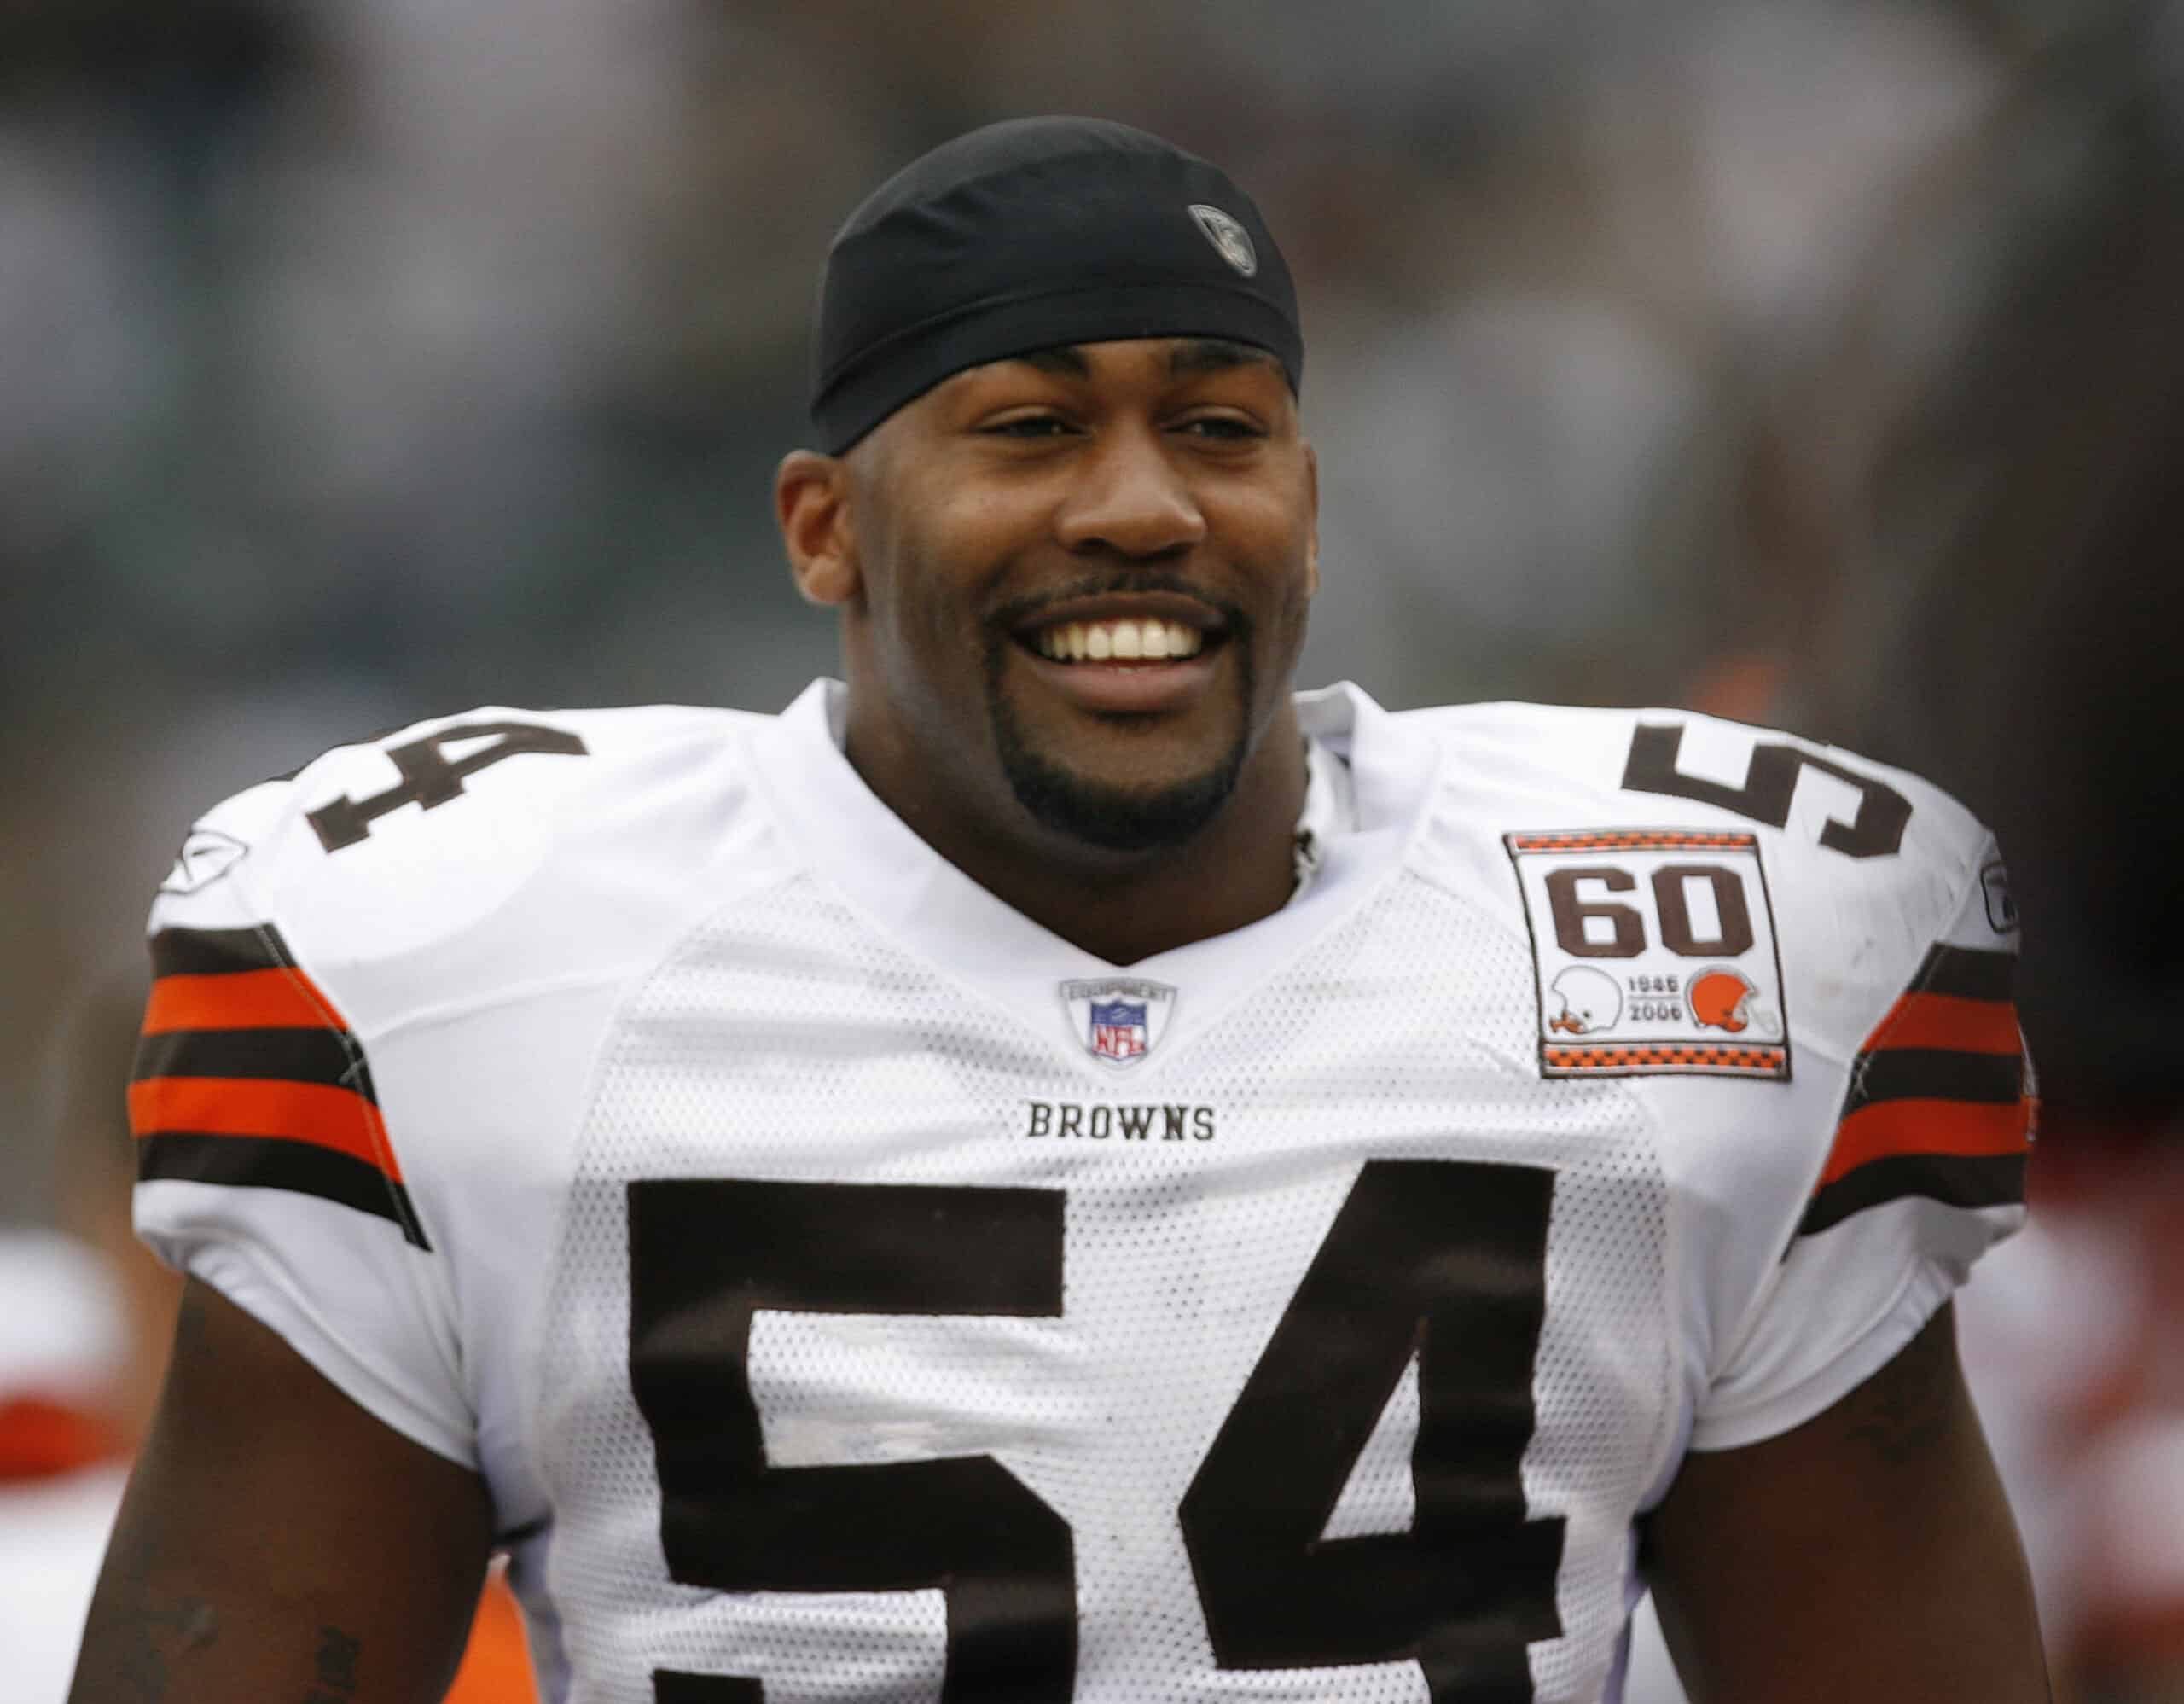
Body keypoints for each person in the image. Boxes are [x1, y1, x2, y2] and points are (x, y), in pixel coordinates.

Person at [72, 116, 2046, 1703]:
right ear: (822, 527)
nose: (1139, 507)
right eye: (1027, 428)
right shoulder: (472, 955)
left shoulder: (1703, 936)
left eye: (1216, 426)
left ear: (1304, 489)